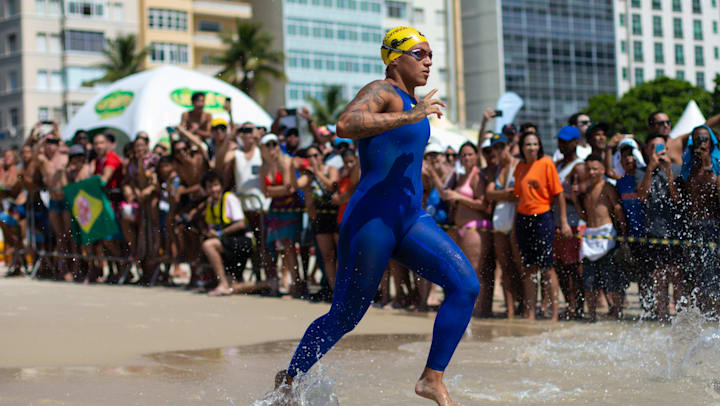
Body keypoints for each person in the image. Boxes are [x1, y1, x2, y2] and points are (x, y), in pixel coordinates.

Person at [274, 26, 478, 406]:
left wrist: (413, 114)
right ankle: (290, 378)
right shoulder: (381, 90)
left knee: (466, 286)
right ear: (395, 58)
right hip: (371, 220)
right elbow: (345, 125)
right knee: (346, 317)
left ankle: (431, 379)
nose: (429, 61)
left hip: (410, 218)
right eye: (420, 54)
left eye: (431, 54)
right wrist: (409, 115)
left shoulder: (412, 100)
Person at [513, 131, 572, 322]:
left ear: (539, 146)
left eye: (534, 144)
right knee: (529, 268)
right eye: (527, 144)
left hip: (543, 217)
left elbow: (559, 194)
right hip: (523, 218)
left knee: (547, 267)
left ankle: (554, 313)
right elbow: (518, 196)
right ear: (522, 147)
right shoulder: (520, 166)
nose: (531, 148)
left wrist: (563, 222)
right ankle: (530, 312)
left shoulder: (546, 163)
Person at [444, 141, 495, 317]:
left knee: (476, 271)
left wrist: (458, 196)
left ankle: (479, 309)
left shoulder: (477, 176)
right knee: (465, 271)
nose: (466, 158)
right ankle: (472, 308)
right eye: (463, 155)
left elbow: (483, 204)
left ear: (476, 156)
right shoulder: (461, 176)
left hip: (475, 227)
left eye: (470, 154)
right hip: (461, 227)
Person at [576, 154, 629, 322]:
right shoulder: (588, 191)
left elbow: (617, 208)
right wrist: (574, 200)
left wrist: (623, 233)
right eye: (589, 169)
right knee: (589, 280)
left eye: (595, 169)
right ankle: (591, 315)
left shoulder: (607, 187)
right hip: (590, 235)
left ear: (602, 170)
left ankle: (617, 313)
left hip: (606, 234)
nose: (591, 172)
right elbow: (585, 216)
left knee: (611, 278)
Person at [636, 133, 682, 321]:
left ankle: (680, 318)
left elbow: (678, 199)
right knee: (659, 278)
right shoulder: (642, 171)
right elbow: (642, 197)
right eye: (654, 148)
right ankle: (662, 317)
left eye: (661, 148)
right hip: (654, 232)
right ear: (647, 151)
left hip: (675, 232)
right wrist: (650, 170)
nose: (658, 152)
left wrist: (668, 171)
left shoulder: (677, 169)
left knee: (677, 277)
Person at [229, 121, 277, 295]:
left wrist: (260, 138)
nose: (247, 133)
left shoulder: (261, 151)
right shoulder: (235, 153)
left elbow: (272, 159)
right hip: (244, 209)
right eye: (244, 130)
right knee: (252, 246)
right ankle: (259, 279)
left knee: (266, 245)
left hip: (262, 207)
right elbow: (219, 163)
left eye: (250, 130)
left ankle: (272, 281)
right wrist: (231, 135)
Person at [678, 125, 720, 313]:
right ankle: (702, 317)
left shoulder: (717, 165)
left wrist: (708, 165)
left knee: (713, 278)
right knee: (695, 278)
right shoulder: (687, 167)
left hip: (713, 228)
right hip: (692, 228)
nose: (700, 143)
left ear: (711, 142)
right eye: (697, 140)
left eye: (704, 139)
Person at [260, 133, 304, 298]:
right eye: (268, 145)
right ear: (263, 148)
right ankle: (285, 282)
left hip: (290, 208)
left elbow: (289, 188)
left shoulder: (285, 161)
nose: (272, 148)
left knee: (289, 246)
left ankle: (296, 284)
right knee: (276, 247)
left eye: (274, 144)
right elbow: (266, 192)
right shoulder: (264, 166)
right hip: (276, 210)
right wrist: (276, 191)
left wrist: (272, 191)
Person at [486, 132, 523, 318]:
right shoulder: (497, 169)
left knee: (520, 266)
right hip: (500, 221)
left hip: (515, 220)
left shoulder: (517, 165)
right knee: (506, 267)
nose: (499, 150)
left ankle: (524, 307)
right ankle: (509, 311)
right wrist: (506, 194)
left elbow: (517, 193)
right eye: (496, 147)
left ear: (508, 146)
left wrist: (503, 194)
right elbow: (489, 194)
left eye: (501, 146)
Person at [200, 170, 255, 296]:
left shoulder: (229, 198)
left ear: (221, 185)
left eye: (216, 185)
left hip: (242, 241)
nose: (213, 189)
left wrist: (220, 233)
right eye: (210, 187)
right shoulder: (211, 203)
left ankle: (222, 282)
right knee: (234, 287)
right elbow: (212, 227)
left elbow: (241, 223)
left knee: (209, 245)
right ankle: (266, 284)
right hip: (228, 243)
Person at [553, 126, 587, 320]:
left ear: (575, 143)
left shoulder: (579, 167)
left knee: (574, 268)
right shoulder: (557, 164)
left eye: (566, 141)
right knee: (561, 267)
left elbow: (581, 196)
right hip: (558, 221)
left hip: (574, 222)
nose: (562, 144)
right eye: (560, 140)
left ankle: (578, 307)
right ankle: (570, 305)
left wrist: (559, 195)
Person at [295, 144, 340, 291]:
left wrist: (317, 173)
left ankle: (344, 289)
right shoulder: (308, 175)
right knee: (327, 255)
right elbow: (296, 185)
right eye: (309, 157)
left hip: (335, 216)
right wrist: (292, 168)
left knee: (340, 255)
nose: (313, 159)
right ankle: (334, 290)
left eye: (316, 155)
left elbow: (332, 186)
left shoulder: (330, 169)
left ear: (321, 156)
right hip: (320, 217)